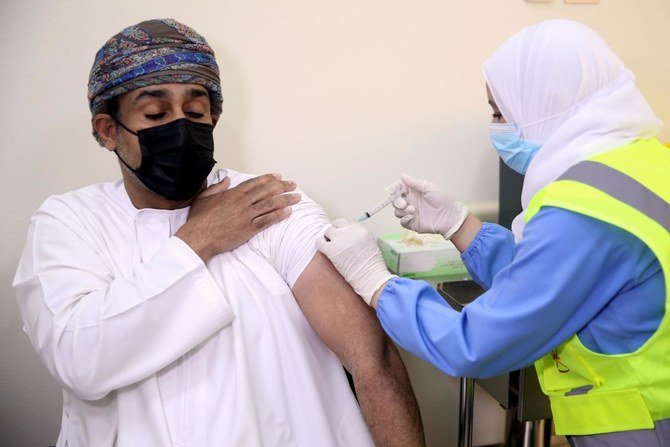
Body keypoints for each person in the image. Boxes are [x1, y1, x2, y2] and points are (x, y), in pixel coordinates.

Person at [13, 18, 425, 447]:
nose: (180, 126)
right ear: (109, 130)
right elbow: (80, 358)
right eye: (155, 113)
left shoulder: (268, 202)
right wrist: (199, 237)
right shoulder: (68, 222)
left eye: (195, 112)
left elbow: (370, 357)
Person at [318, 19, 669, 446]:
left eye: (500, 111)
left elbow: (475, 344)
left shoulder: (583, 209)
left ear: (545, 102)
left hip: (642, 427)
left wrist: (375, 281)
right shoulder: (646, 162)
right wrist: (460, 226)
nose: (497, 127)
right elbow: (554, 279)